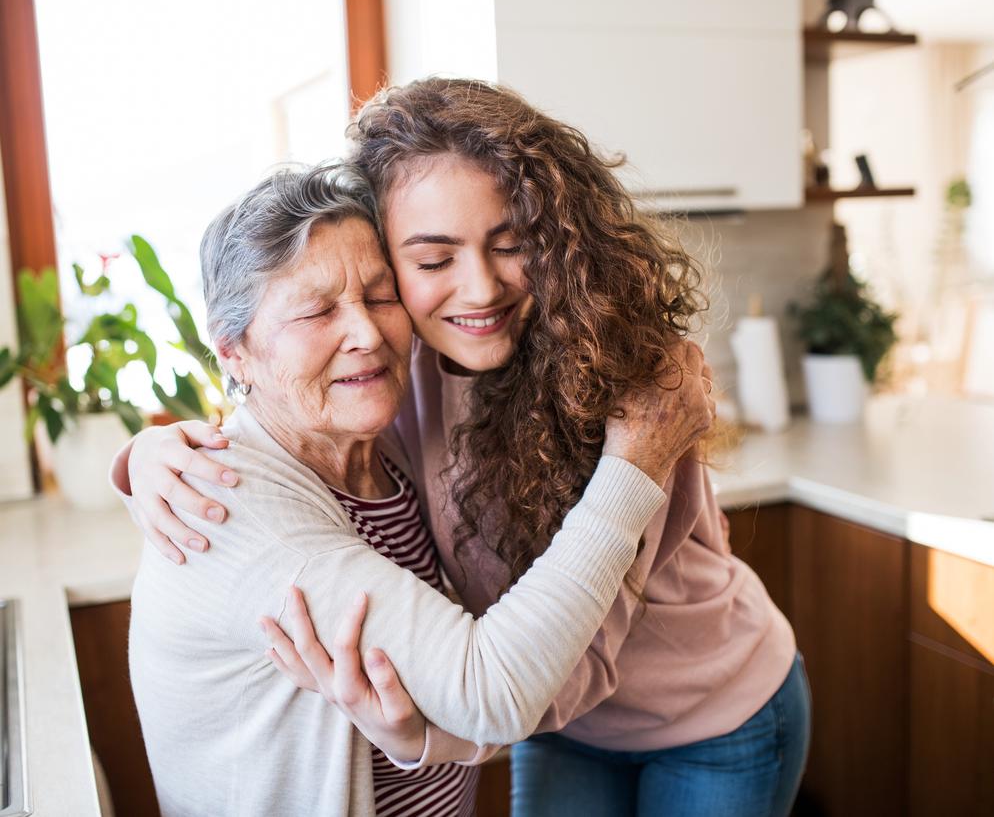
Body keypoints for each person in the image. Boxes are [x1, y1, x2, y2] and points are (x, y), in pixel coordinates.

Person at [114, 79, 810, 816]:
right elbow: (275, 420)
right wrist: (144, 459)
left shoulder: (621, 383)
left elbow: (574, 665)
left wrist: (427, 736)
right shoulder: (392, 376)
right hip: (556, 725)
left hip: (709, 708)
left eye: (510, 245)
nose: (478, 289)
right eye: (432, 261)